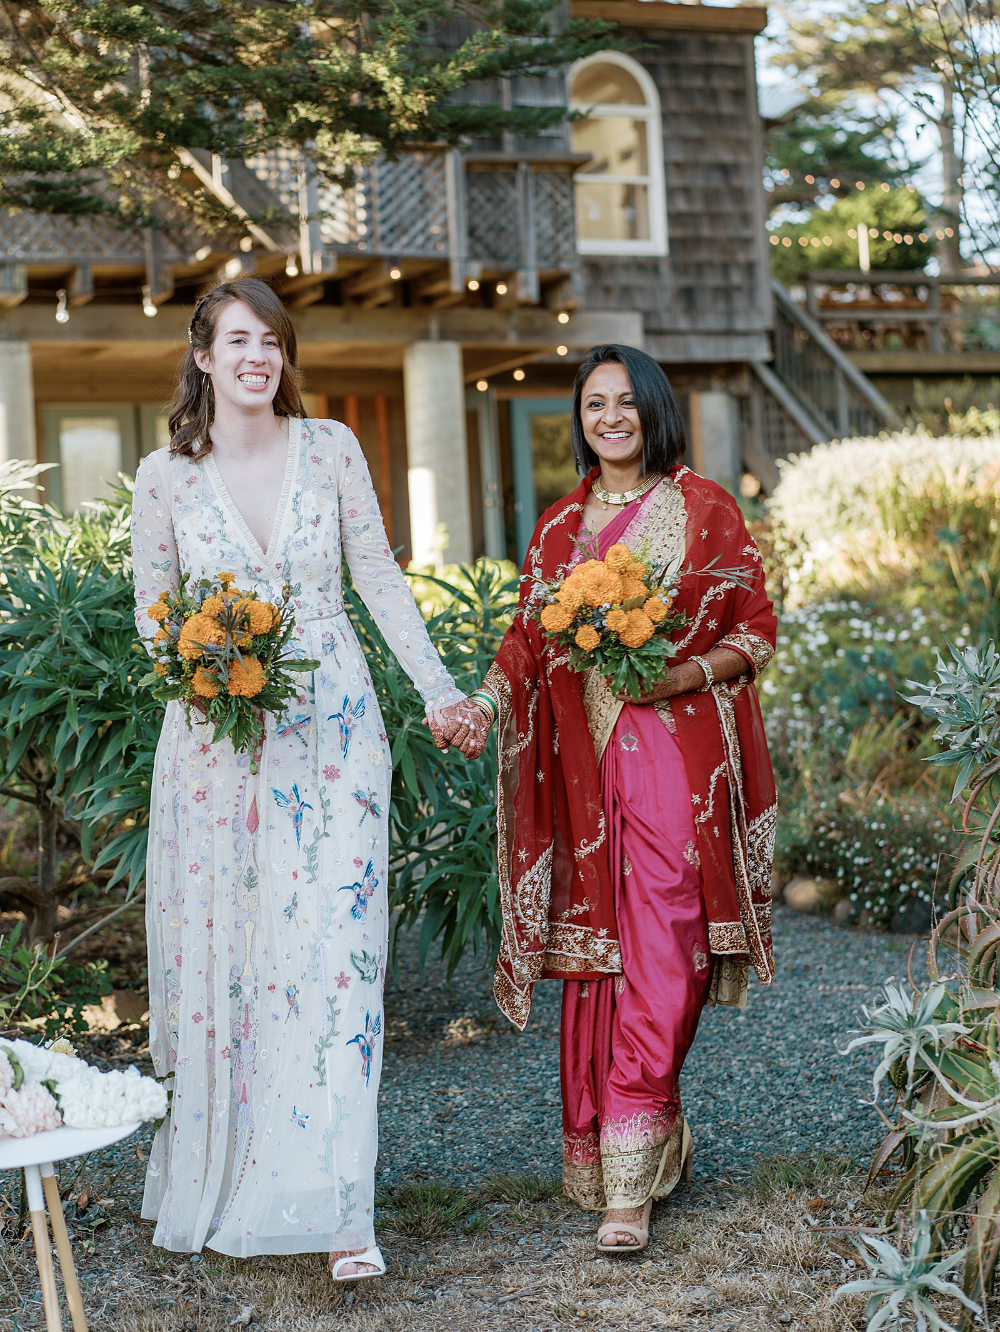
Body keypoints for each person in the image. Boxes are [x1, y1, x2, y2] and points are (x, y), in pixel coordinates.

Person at [131, 276, 482, 1280]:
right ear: (202, 357)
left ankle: (340, 1212)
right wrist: (195, 672)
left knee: (334, 956)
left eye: (272, 343)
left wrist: (438, 689)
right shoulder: (164, 476)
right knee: (237, 958)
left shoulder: (329, 447)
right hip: (217, 741)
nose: (257, 358)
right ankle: (237, 1182)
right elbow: (154, 615)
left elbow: (376, 577)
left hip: (334, 729)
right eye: (237, 342)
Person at [453, 344, 777, 1253]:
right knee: (605, 960)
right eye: (595, 404)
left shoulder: (704, 510)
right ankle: (622, 1165)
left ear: (654, 410)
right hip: (583, 777)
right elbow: (526, 637)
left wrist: (678, 675)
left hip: (673, 758)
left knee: (668, 939)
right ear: (580, 419)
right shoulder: (559, 529)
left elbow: (755, 629)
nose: (612, 417)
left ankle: (640, 1137)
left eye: (628, 402)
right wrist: (481, 703)